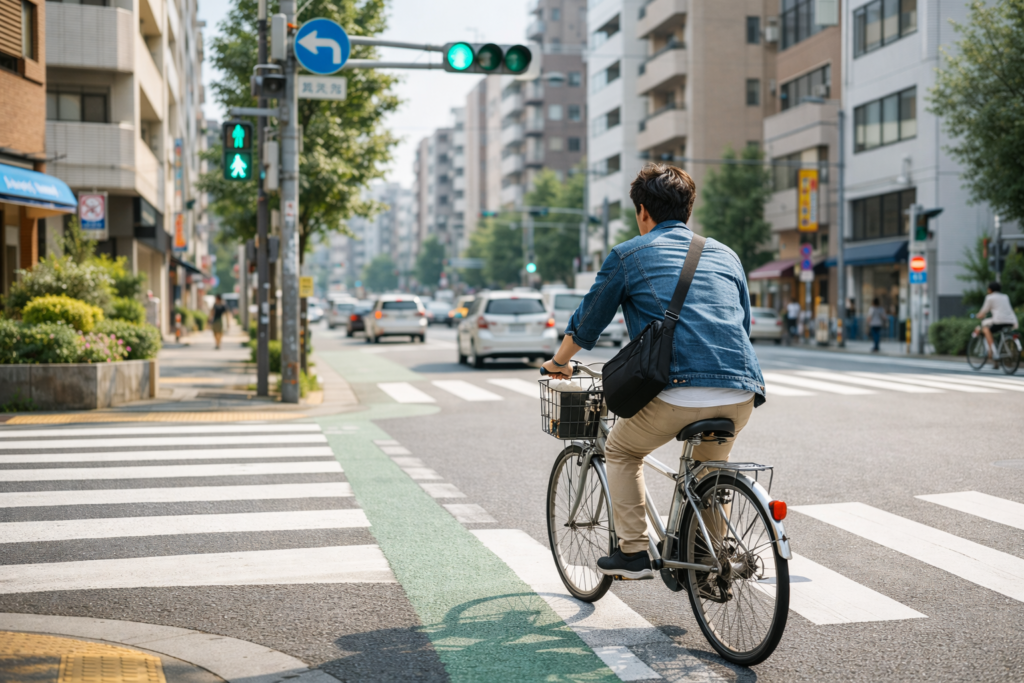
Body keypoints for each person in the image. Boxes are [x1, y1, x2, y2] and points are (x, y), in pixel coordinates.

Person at [542, 164, 766, 580]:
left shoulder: (629, 254)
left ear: (643, 211)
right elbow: (742, 326)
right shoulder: (726, 255)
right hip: (740, 390)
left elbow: (587, 322)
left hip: (677, 391)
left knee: (623, 451)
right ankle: (707, 562)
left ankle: (632, 552)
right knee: (710, 475)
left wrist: (558, 362)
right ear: (688, 210)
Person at [974, 281, 1020, 368]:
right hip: (1011, 321)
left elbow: (983, 311)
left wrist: (978, 315)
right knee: (999, 333)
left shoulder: (990, 297)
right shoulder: (1005, 296)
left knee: (985, 328)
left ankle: (991, 350)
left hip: (999, 321)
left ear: (990, 289)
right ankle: (996, 362)